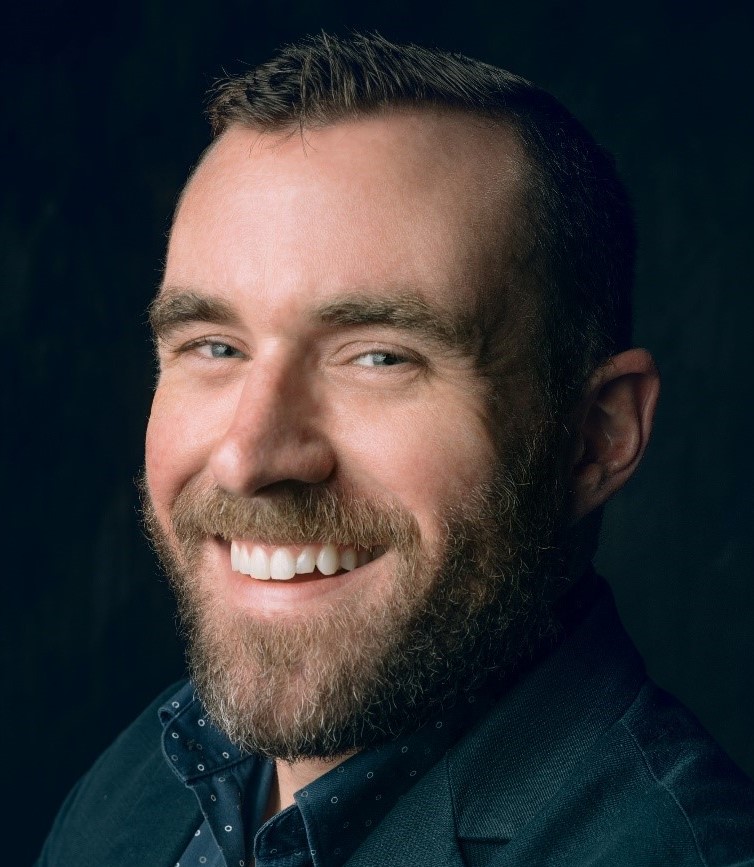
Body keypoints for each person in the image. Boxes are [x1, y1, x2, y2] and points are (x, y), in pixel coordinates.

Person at [37, 31, 754, 867]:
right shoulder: (143, 777)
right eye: (215, 346)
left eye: (378, 357)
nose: (248, 458)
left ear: (597, 434)